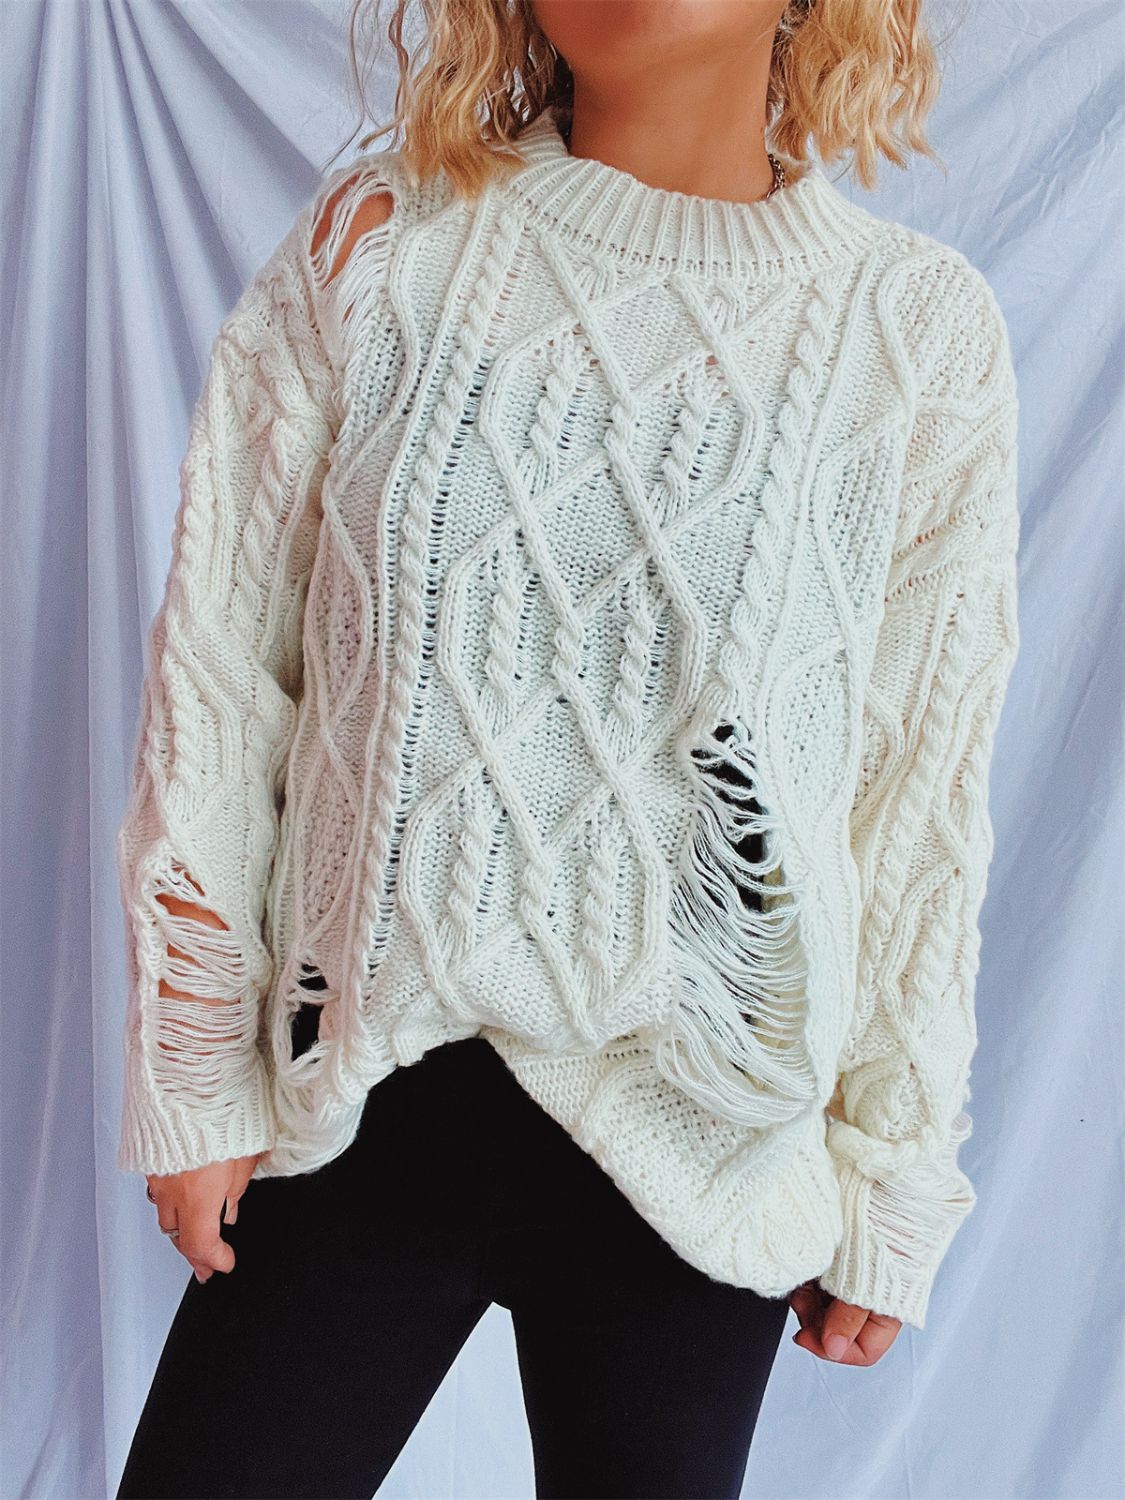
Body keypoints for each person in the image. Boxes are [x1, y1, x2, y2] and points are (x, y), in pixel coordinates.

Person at [114, 0, 1022, 1496]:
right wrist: (197, 1055)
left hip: (705, 1149)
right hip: (363, 1096)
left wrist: (893, 1170)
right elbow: (223, 665)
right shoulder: (384, 243)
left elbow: (917, 793)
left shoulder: (913, 336)